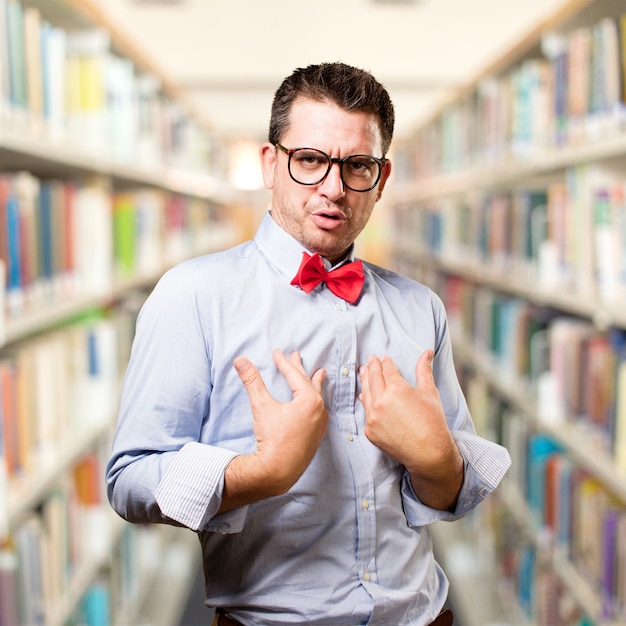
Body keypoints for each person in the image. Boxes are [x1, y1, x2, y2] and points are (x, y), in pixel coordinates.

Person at [106, 62, 511, 626]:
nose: (333, 188)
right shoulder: (192, 296)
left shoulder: (421, 308)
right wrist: (261, 472)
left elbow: (450, 496)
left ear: (382, 178)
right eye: (310, 160)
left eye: (357, 166)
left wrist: (437, 460)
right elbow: (128, 482)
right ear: (271, 163)